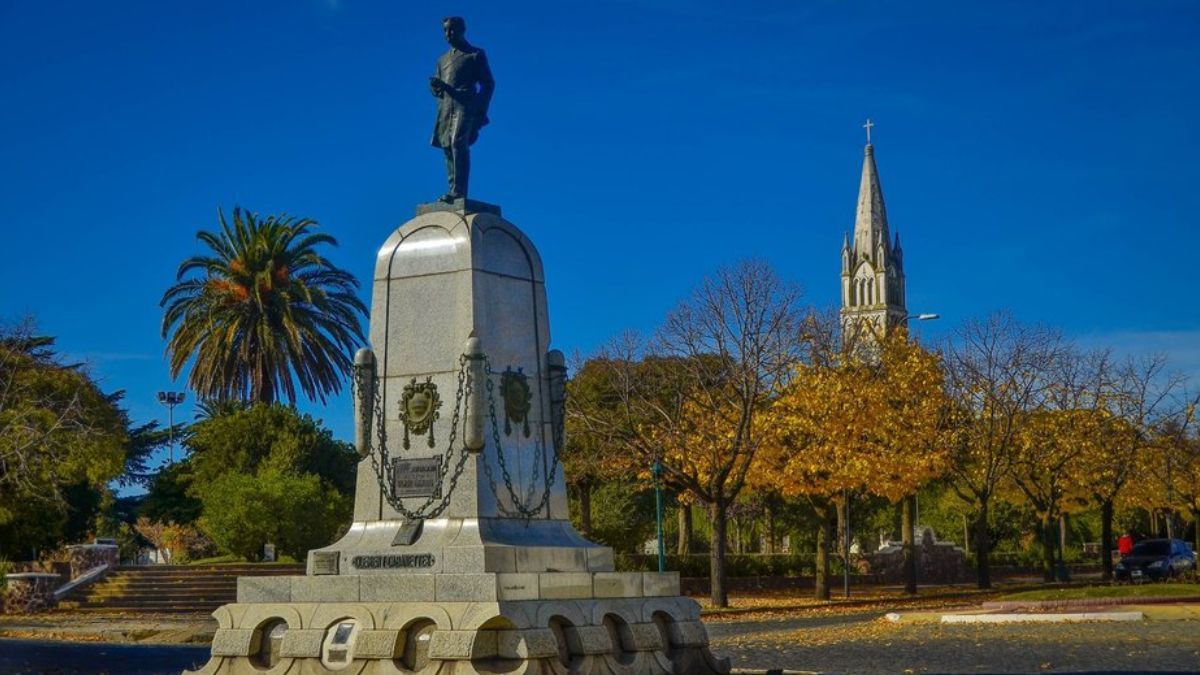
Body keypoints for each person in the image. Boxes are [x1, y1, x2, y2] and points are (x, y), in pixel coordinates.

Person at [429, 16, 495, 202]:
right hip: (445, 107)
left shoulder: (474, 54)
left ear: (461, 30)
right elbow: (439, 84)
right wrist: (435, 87)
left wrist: (479, 109)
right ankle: (452, 188)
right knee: (447, 146)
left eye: (452, 30)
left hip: (465, 105)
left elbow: (488, 84)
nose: (448, 34)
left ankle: (459, 191)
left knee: (458, 143)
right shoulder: (442, 60)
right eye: (445, 30)